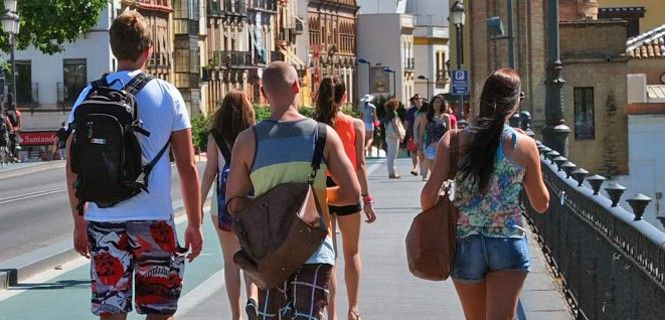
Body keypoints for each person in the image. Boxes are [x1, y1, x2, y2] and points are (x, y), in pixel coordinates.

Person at [65, 11, 203, 319]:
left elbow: (73, 163)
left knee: (111, 312)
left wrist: (79, 221)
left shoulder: (89, 94)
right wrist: (194, 223)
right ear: (148, 49)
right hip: (155, 220)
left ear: (113, 48)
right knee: (159, 309)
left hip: (104, 219)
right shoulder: (168, 94)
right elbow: (187, 167)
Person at [226, 61, 360, 320]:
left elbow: (234, 203)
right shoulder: (324, 135)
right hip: (314, 248)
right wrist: (313, 200)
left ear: (263, 94)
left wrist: (271, 202)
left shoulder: (247, 141)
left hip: (269, 253)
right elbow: (352, 193)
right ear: (298, 86)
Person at [420, 68, 550, 319]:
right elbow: (541, 203)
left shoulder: (454, 141)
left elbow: (427, 199)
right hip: (508, 241)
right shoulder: (523, 145)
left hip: (466, 243)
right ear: (513, 104)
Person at [314, 77, 377, 320]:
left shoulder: (315, 125)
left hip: (323, 189)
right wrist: (367, 199)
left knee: (329, 254)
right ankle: (354, 307)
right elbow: (360, 165)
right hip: (349, 188)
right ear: (344, 95)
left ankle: (332, 314)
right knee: (352, 252)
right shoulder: (356, 124)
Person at [200, 90, 258, 320]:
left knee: (230, 260)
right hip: (250, 204)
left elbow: (209, 174)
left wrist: (197, 208)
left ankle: (236, 315)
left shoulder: (216, 136)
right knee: (251, 256)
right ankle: (253, 298)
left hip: (222, 205)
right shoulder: (254, 134)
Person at [418, 95, 451, 181]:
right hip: (430, 147)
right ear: (432, 104)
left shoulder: (446, 117)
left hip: (443, 148)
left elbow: (449, 133)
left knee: (442, 172)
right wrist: (420, 148)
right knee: (433, 173)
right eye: (435, 102)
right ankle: (436, 192)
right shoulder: (426, 117)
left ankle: (442, 191)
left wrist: (451, 147)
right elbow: (421, 133)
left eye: (439, 102)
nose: (437, 104)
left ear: (442, 104)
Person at [383, 98, 403, 179]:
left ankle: (391, 171)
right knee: (393, 154)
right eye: (397, 104)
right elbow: (395, 124)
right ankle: (392, 172)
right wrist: (400, 135)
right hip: (394, 136)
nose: (398, 105)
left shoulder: (388, 113)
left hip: (389, 136)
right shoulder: (394, 113)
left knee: (390, 154)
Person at [405, 94, 422, 176]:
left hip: (424, 134)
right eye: (416, 99)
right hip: (412, 133)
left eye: (419, 98)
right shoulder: (410, 110)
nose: (418, 100)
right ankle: (415, 168)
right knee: (414, 151)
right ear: (414, 100)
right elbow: (407, 122)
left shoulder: (425, 109)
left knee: (422, 152)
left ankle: (423, 169)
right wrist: (404, 133)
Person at [5, 94, 22, 162]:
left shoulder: (5, 106)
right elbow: (19, 120)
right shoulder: (16, 111)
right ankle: (13, 155)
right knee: (14, 141)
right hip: (12, 128)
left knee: (13, 141)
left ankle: (12, 155)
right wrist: (18, 128)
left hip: (8, 128)